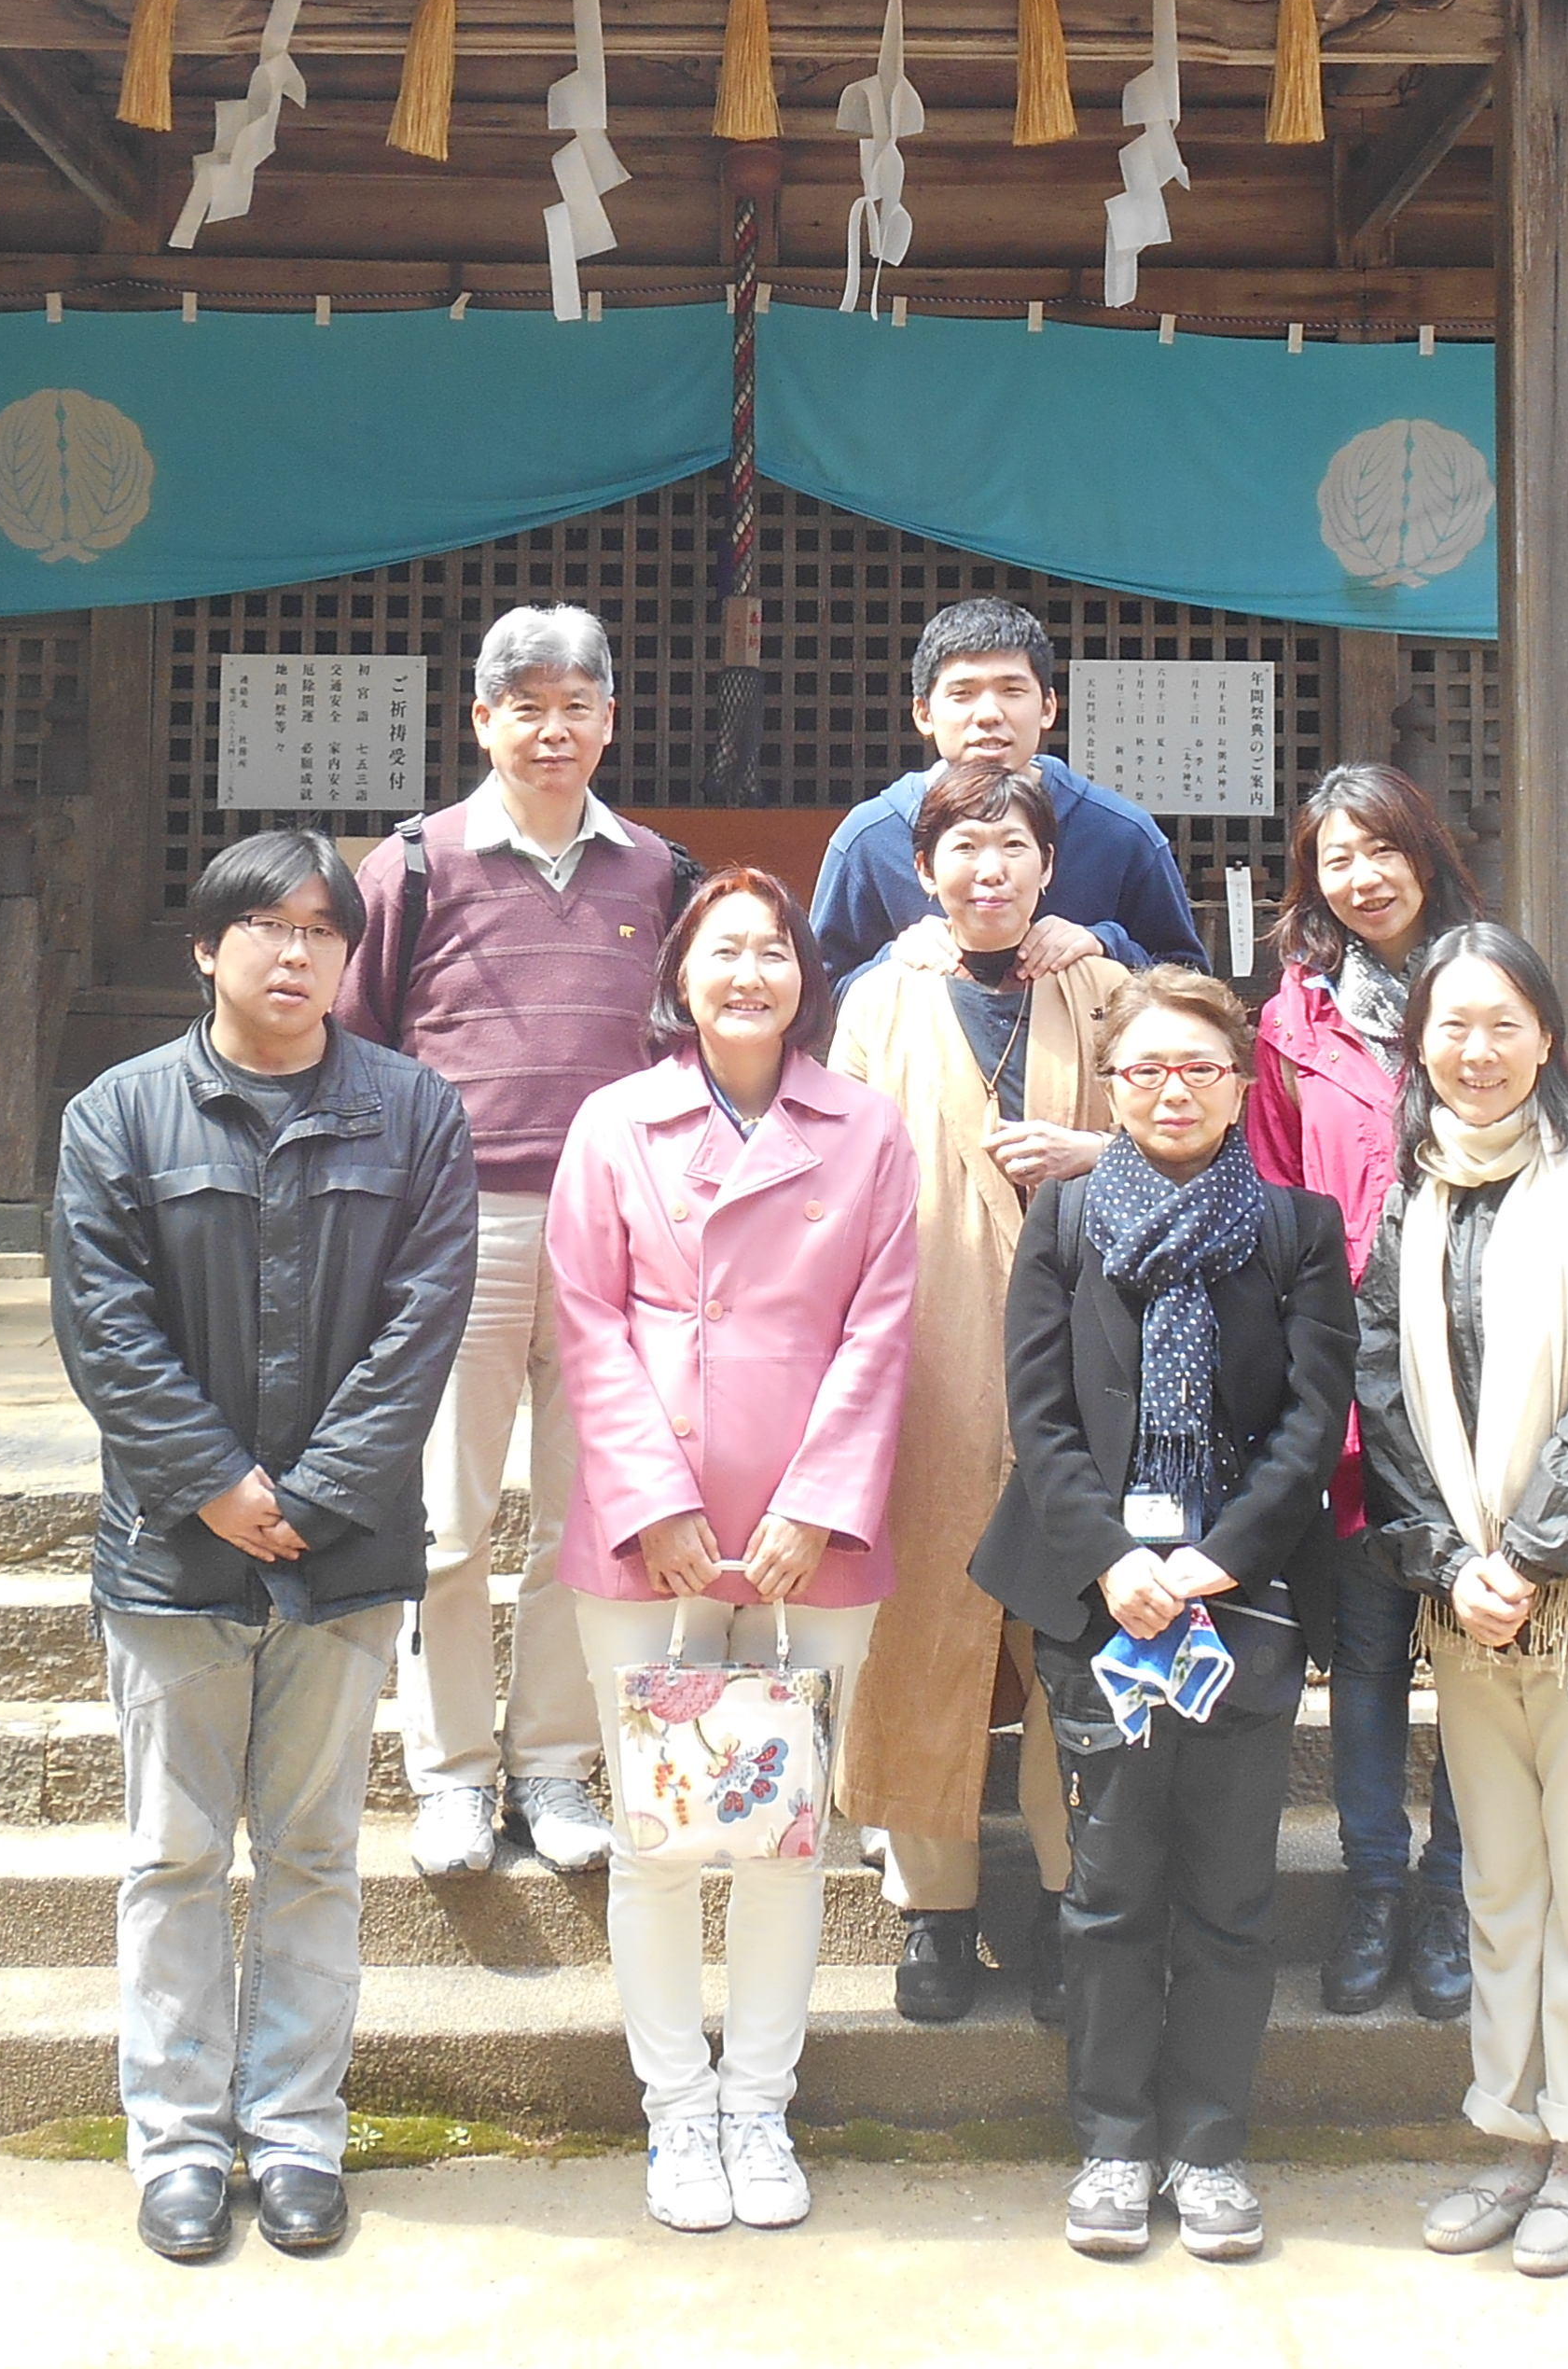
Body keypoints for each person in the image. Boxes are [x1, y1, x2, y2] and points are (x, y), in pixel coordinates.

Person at [48, 828, 479, 2268]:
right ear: (206, 946)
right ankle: (175, 2143)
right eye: (265, 927)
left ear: (349, 959)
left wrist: (318, 1491)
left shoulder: (414, 1114)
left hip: (343, 1557)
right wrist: (220, 1485)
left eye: (322, 932)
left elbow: (427, 1323)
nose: (294, 955)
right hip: (176, 1558)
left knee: (313, 1853)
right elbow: (104, 1328)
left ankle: (296, 2133)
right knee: (173, 1859)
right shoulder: (119, 1114)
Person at [543, 869, 923, 2236]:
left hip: (806, 1536)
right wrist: (651, 1499)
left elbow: (885, 1329)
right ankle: (674, 2110)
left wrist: (815, 1507)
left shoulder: (867, 1128)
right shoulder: (614, 1123)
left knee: (781, 1839)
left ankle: (759, 2101)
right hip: (648, 1524)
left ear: (805, 978)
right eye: (723, 951)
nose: (749, 973)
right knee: (655, 1843)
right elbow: (585, 1319)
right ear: (683, 978)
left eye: (773, 950)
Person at [972, 967, 1354, 2265]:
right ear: (1112, 1089)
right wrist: (1106, 1563)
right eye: (1146, 1070)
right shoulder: (1067, 1221)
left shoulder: (1296, 1229)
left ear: (1241, 1086)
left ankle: (1210, 2143)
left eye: (1199, 1068)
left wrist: (1220, 1560)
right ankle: (1114, 2139)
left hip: (1242, 1604)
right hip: (1101, 1604)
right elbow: (1040, 1415)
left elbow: (1311, 1422)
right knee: (1113, 1884)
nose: (1173, 1089)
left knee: (1234, 1890)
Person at [1353, 922, 1568, 2281]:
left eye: (1504, 1024)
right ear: (1420, 1043)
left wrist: (1532, 1555)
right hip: (1469, 1606)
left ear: (1548, 1038)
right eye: (1452, 1026)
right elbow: (1384, 1396)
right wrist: (1451, 1562)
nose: (1477, 1051)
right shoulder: (1412, 1195)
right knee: (1500, 1887)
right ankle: (1513, 2129)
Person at [337, 605, 691, 1882]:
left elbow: (688, 1054)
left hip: (618, 1232)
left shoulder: (658, 872)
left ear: (610, 719)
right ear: (480, 721)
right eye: (525, 705)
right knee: (445, 1517)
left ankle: (553, 1768)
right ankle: (450, 1778)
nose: (554, 728)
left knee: (586, 1518)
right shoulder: (414, 867)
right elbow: (356, 1054)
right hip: (458, 1227)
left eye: (577, 704)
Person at [824, 758, 1130, 2020]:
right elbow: (825, 1187)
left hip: (1085, 1367)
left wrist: (1092, 1153)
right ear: (925, 866)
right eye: (964, 849)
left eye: (1013, 849)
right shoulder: (876, 1002)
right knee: (921, 1627)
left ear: (1049, 868)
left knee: (1075, 1636)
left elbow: (1198, 1147)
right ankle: (929, 1912)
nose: (989, 871)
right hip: (927, 1363)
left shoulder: (1104, 990)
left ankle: (1076, 1902)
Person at [1245, 762, 1487, 2026]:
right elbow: (1280, 1199)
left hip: (1475, 1367)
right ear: (1313, 880)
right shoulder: (1292, 1022)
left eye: (1382, 849)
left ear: (1425, 851)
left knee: (1472, 1656)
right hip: (1351, 1371)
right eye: (1338, 858)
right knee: (1371, 1653)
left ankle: (1451, 1891)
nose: (1363, 877)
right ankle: (1374, 1890)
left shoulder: (1486, 991)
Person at [809, 597, 1207, 984]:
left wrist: (1106, 944)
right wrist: (892, 959)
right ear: (924, 714)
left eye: (1012, 691)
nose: (988, 714)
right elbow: (815, 996)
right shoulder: (870, 838)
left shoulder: (1120, 834)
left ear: (1048, 707)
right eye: (962, 694)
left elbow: (1192, 983)